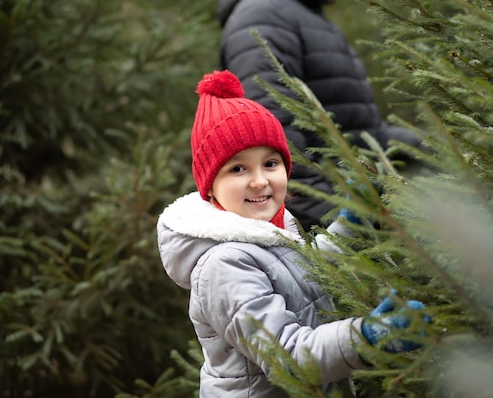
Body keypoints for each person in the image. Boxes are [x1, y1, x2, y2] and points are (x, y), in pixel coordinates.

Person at [157, 70, 430, 397]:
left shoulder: (266, 230)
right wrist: (369, 336)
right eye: (238, 168)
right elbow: (287, 356)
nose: (260, 181)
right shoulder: (222, 264)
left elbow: (305, 277)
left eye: (270, 163)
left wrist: (351, 225)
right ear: (210, 188)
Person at [218, 0, 424, 231]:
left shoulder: (301, 12)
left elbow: (358, 129)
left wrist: (431, 153)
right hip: (336, 225)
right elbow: (273, 134)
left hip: (360, 210)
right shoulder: (263, 12)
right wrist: (332, 226)